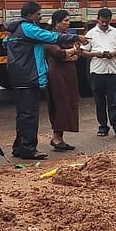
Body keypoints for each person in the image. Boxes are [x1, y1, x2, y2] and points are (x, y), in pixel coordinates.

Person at [4, 1, 88, 160]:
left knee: (22, 114)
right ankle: (29, 148)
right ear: (30, 15)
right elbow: (51, 37)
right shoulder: (28, 28)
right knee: (30, 114)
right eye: (38, 14)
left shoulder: (14, 31)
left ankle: (19, 147)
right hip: (29, 76)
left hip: (18, 75)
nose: (40, 17)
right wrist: (76, 36)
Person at [81, 8, 116, 139]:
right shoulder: (91, 33)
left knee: (114, 101)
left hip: (112, 71)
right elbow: (83, 52)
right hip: (97, 72)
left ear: (110, 20)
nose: (105, 24)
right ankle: (102, 127)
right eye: (102, 22)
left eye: (107, 22)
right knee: (99, 102)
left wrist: (113, 54)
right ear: (98, 20)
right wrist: (95, 54)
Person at [44, 10, 82, 151]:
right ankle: (56, 137)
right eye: (65, 20)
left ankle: (59, 137)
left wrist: (73, 53)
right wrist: (73, 50)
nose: (68, 23)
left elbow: (77, 53)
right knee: (60, 103)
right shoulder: (50, 37)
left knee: (70, 102)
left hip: (68, 74)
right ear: (57, 23)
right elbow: (59, 53)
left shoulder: (65, 37)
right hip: (57, 75)